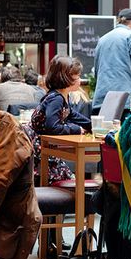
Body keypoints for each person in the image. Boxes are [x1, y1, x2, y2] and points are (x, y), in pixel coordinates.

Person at [28, 55, 91, 185]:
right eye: (77, 76)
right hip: (39, 147)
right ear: (65, 78)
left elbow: (72, 114)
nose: (80, 80)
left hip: (44, 144)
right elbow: (53, 127)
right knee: (65, 179)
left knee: (66, 177)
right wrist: (77, 129)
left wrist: (92, 125)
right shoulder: (56, 99)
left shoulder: (61, 96)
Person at [93, 8, 131, 115]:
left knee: (104, 131)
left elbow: (96, 71)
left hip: (102, 99)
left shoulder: (102, 39)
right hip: (124, 100)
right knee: (123, 132)